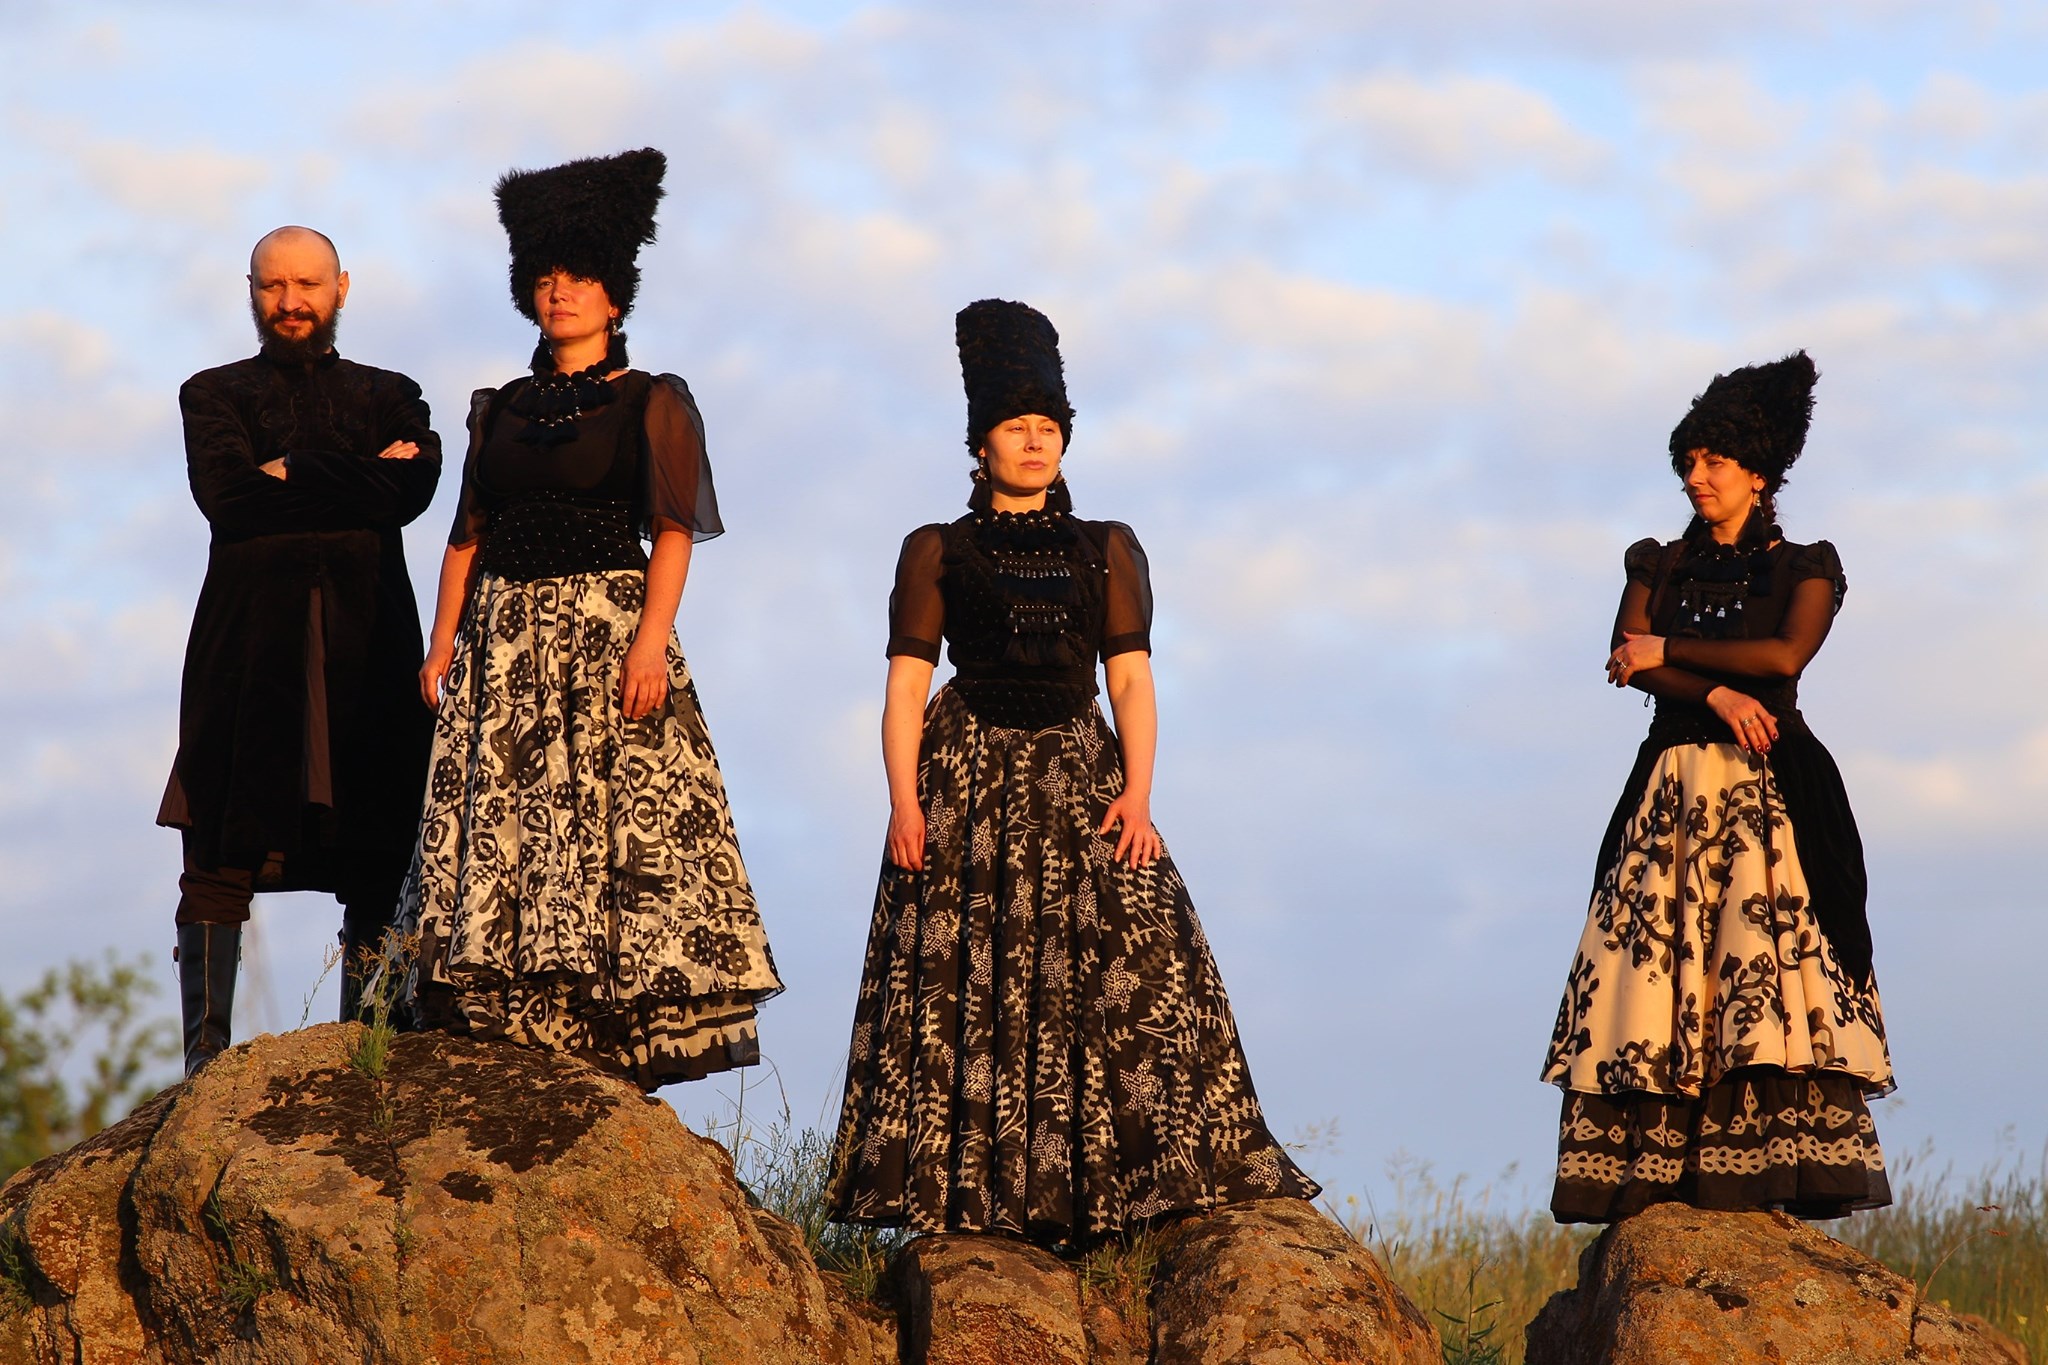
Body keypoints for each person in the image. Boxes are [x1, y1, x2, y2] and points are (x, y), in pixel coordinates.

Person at [826, 299, 1318, 1244]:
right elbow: (902, 688)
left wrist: (1138, 791)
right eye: (1016, 428)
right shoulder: (937, 547)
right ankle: (978, 1203)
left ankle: (1121, 1196)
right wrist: (902, 801)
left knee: (1136, 966)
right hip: (965, 780)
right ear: (980, 444)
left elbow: (1130, 679)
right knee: (969, 985)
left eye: (1048, 428)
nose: (1034, 443)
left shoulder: (1108, 547)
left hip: (1081, 774)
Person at [394, 148, 781, 1090]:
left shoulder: (652, 401)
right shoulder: (501, 408)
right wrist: (443, 643)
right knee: (507, 821)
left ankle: (604, 1047)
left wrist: (652, 639)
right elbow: (464, 536)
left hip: (607, 628)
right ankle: (512, 1028)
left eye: (579, 278)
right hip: (502, 643)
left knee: (611, 825)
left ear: (617, 297)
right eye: (546, 278)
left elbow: (673, 527)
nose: (559, 292)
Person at [1540, 351, 1892, 1223]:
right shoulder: (1655, 562)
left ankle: (1756, 1177)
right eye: (1688, 464)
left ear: (1759, 474)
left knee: (1764, 978)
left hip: (1772, 794)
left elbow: (1783, 658)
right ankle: (1663, 1174)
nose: (1695, 478)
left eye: (1713, 463)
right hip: (1671, 795)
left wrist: (1676, 654)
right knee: (1654, 980)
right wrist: (1717, 691)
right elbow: (1630, 658)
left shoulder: (1807, 566)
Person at [160, 226, 441, 1075]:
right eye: (274, 285)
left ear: (342, 287)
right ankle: (206, 1064)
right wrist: (355, 472)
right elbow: (230, 498)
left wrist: (290, 468)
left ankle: (372, 1053)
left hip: (372, 651)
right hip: (245, 652)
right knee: (218, 849)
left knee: (381, 842)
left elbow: (413, 489)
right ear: (250, 289)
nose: (291, 301)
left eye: (308, 284)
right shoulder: (211, 394)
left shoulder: (394, 393)